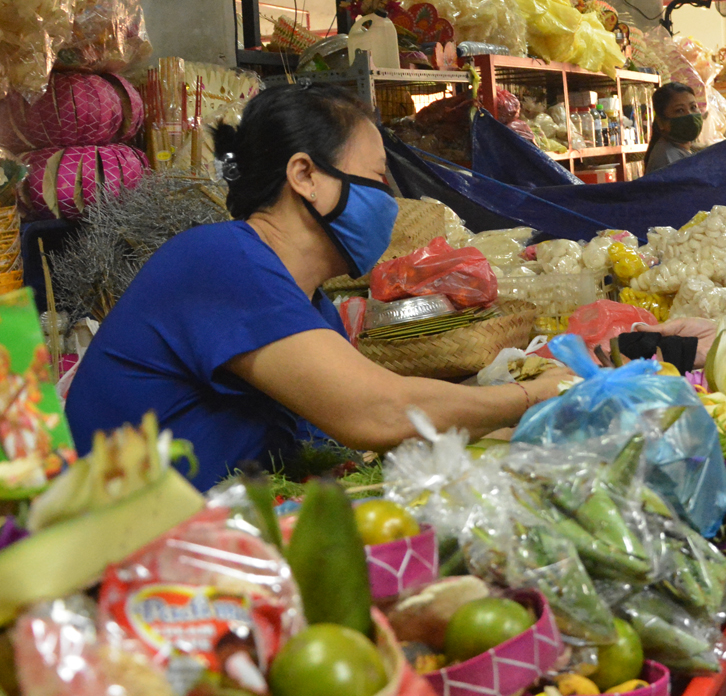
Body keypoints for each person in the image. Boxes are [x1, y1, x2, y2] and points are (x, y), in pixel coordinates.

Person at [65, 83, 569, 490]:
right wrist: (533, 397)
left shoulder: (314, 305)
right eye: (376, 181)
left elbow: (345, 434)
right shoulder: (222, 261)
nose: (390, 204)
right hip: (131, 563)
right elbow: (376, 412)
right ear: (305, 175)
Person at [643, 81, 702, 173]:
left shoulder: (682, 150)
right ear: (661, 122)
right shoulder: (666, 157)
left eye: (693, 107)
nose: (690, 115)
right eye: (680, 110)